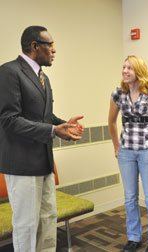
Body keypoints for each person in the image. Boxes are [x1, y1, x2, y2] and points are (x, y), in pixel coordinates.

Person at [0, 26, 84, 252]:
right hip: (21, 164)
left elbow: (43, 117)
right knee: (27, 225)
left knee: (48, 219)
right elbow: (9, 120)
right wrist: (54, 131)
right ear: (35, 46)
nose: (54, 50)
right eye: (50, 45)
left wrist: (63, 125)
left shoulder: (43, 77)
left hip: (44, 161)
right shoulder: (9, 72)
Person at [108, 55, 148, 252]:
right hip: (127, 151)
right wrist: (117, 146)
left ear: (139, 72)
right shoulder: (118, 94)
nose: (125, 71)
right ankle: (134, 237)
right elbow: (110, 122)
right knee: (130, 197)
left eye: (130, 68)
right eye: (124, 67)